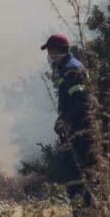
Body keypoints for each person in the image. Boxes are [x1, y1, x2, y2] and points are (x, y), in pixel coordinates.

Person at [41, 33, 93, 207]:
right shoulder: (72, 67)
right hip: (80, 125)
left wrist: (66, 120)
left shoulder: (70, 70)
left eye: (50, 51)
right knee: (81, 169)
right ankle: (88, 208)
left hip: (80, 126)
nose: (49, 56)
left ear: (57, 51)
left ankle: (82, 211)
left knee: (73, 171)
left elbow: (80, 100)